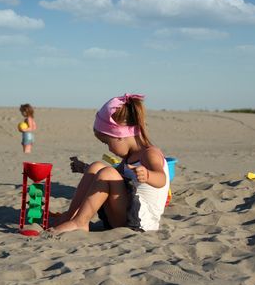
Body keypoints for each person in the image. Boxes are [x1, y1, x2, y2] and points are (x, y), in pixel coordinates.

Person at [51, 94, 170, 233]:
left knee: (108, 173)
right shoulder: (129, 156)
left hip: (140, 222)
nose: (108, 149)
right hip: (122, 214)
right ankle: (70, 216)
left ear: (120, 136)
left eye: (108, 142)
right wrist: (85, 168)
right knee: (97, 166)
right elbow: (111, 175)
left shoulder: (150, 153)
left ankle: (80, 222)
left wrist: (148, 175)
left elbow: (162, 179)